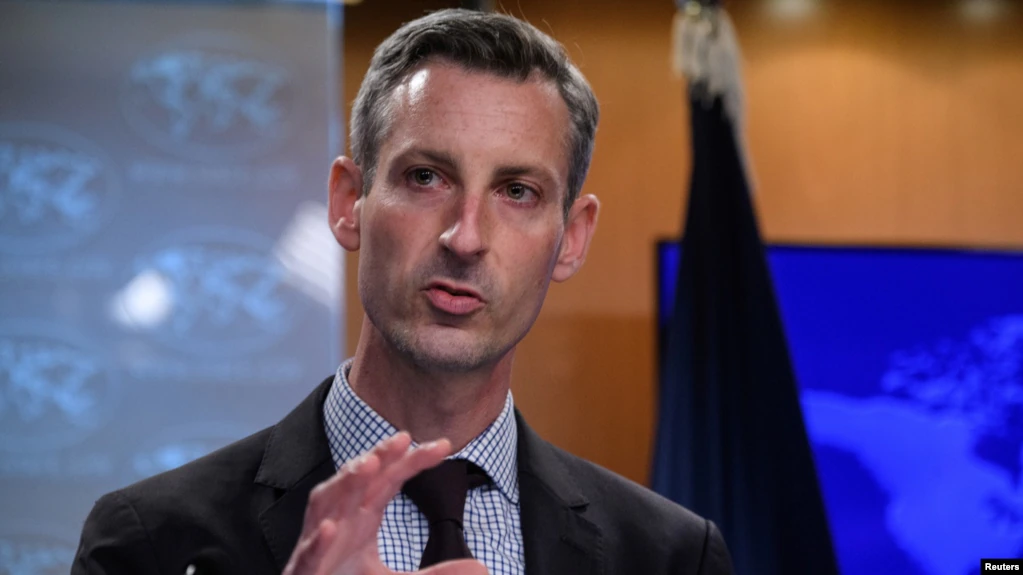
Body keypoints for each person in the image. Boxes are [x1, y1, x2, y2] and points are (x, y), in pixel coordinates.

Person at [72, 9, 734, 575]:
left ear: (571, 239)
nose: (465, 237)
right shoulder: (151, 540)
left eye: (517, 191)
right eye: (426, 177)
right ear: (348, 203)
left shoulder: (670, 556)